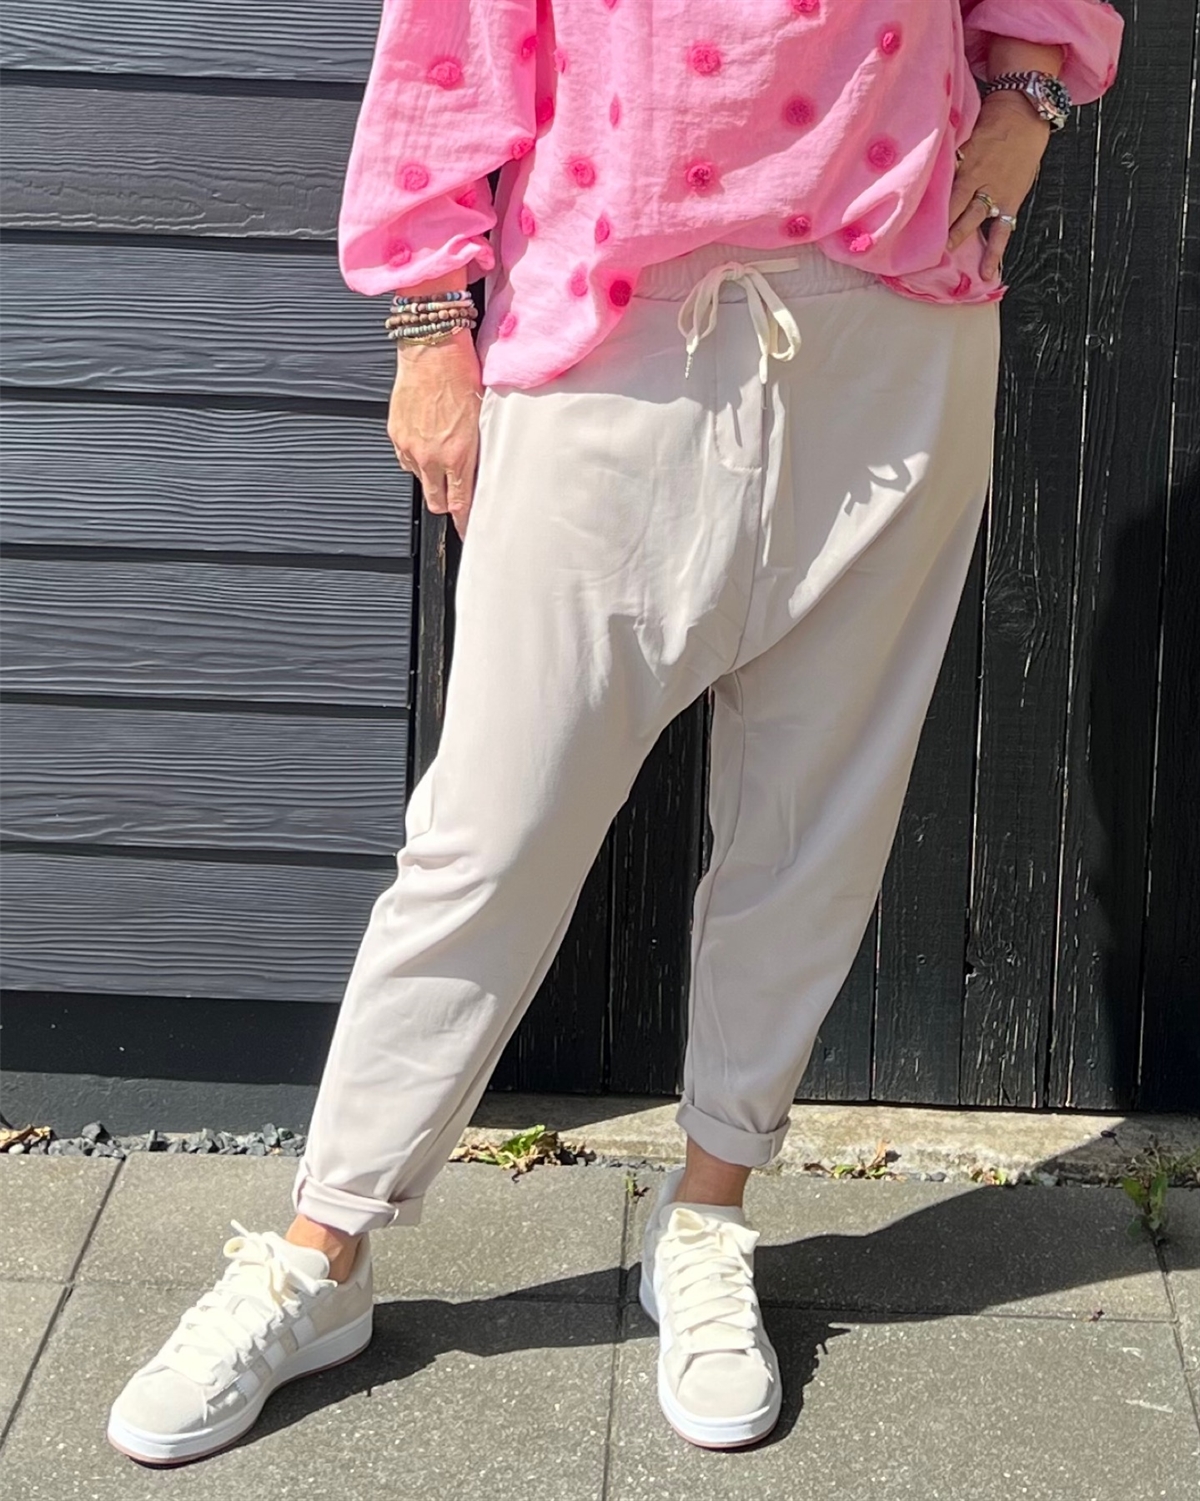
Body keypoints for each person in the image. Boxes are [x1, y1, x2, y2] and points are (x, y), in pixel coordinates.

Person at [107, 0, 1123, 1464]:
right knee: (490, 837)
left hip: (893, 332)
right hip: (611, 330)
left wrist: (1026, 104)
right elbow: (449, 48)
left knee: (815, 823)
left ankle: (707, 1217)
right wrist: (428, 326)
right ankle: (320, 1251)